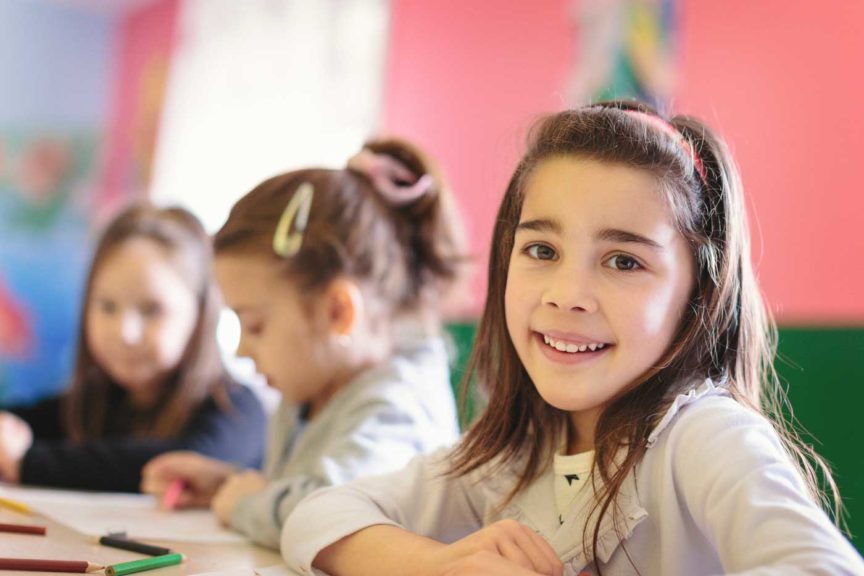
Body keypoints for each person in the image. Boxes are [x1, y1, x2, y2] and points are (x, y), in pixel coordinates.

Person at [280, 101, 864, 575]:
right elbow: (317, 516)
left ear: (697, 297)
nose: (567, 294)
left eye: (623, 262)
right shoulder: (511, 456)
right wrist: (438, 563)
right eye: (541, 250)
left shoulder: (704, 438)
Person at [141, 138, 466, 550]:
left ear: (337, 312)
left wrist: (247, 506)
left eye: (255, 325)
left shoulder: (396, 410)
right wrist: (228, 486)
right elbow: (307, 492)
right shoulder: (313, 384)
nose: (241, 349)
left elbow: (332, 518)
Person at [0, 203, 266, 492]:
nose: (124, 332)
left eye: (152, 310)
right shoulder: (89, 404)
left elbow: (183, 465)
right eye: (107, 306)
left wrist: (28, 463)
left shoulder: (237, 409)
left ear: (200, 316)